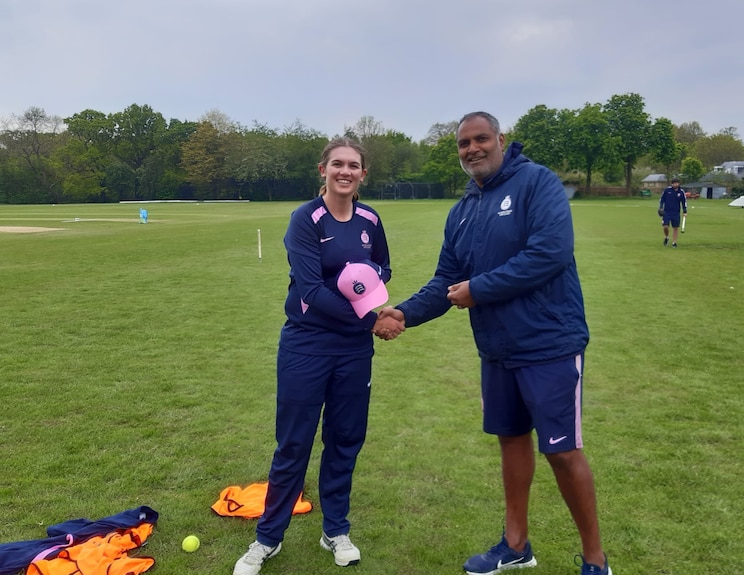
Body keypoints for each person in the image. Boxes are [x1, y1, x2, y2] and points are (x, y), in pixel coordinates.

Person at [379, 112, 611, 575]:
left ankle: (595, 560)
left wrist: (479, 289)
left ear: (501, 139)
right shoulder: (463, 209)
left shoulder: (536, 183)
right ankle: (516, 544)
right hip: (497, 348)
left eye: (481, 139)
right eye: (464, 144)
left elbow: (550, 253)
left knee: (562, 451)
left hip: (548, 342)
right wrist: (403, 312)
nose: (472, 149)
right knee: (511, 441)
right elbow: (447, 278)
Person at [233, 137, 404, 575]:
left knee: (345, 439)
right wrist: (371, 319)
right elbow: (310, 291)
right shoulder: (305, 218)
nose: (345, 172)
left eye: (354, 166)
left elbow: (384, 266)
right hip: (307, 344)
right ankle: (267, 539)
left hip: (352, 351)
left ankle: (336, 530)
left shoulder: (370, 217)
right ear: (323, 170)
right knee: (294, 444)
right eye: (338, 165)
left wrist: (366, 278)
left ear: (363, 174)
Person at [658, 178, 688, 247]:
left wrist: (685, 211)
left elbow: (684, 202)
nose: (675, 184)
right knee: (665, 227)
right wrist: (661, 207)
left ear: (678, 184)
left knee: (675, 228)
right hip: (667, 212)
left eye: (677, 183)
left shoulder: (681, 192)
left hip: (676, 212)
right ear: (672, 184)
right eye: (674, 183)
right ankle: (667, 237)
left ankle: (674, 242)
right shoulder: (667, 190)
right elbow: (662, 200)